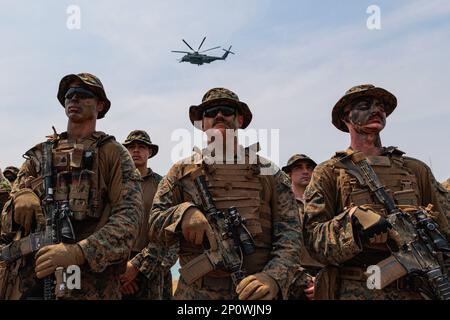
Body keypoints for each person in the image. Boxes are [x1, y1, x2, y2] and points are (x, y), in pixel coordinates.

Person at [148, 88, 302, 300]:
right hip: (195, 296)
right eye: (210, 112)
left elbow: (291, 235)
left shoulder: (268, 172)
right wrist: (183, 214)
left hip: (255, 294)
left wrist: (273, 277)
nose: (219, 115)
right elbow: (154, 224)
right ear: (202, 124)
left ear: (239, 119)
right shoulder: (181, 171)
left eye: (227, 110)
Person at [0, 73, 143, 300]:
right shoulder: (41, 155)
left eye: (83, 94)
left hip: (91, 286)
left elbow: (129, 219)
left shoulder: (113, 153)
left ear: (100, 105)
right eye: (69, 95)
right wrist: (21, 197)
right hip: (32, 281)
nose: (73, 99)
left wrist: (79, 252)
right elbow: (7, 216)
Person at [303, 84, 449, 300]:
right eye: (365, 106)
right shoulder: (329, 172)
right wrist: (352, 224)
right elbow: (313, 240)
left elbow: (445, 230)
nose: (376, 110)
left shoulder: (416, 169)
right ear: (346, 117)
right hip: (360, 290)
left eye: (380, 106)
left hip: (421, 289)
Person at [119, 130, 176, 300]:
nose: (136, 150)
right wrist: (122, 274)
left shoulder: (163, 185)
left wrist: (140, 270)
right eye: (131, 147)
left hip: (153, 266)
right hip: (119, 268)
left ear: (149, 152)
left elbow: (171, 231)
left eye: (141, 147)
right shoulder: (115, 184)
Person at [282, 154, 321, 299]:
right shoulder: (281, 205)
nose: (305, 171)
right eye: (299, 168)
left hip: (322, 276)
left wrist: (321, 280)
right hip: (291, 275)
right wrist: (304, 279)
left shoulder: (323, 204)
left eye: (309, 168)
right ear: (289, 174)